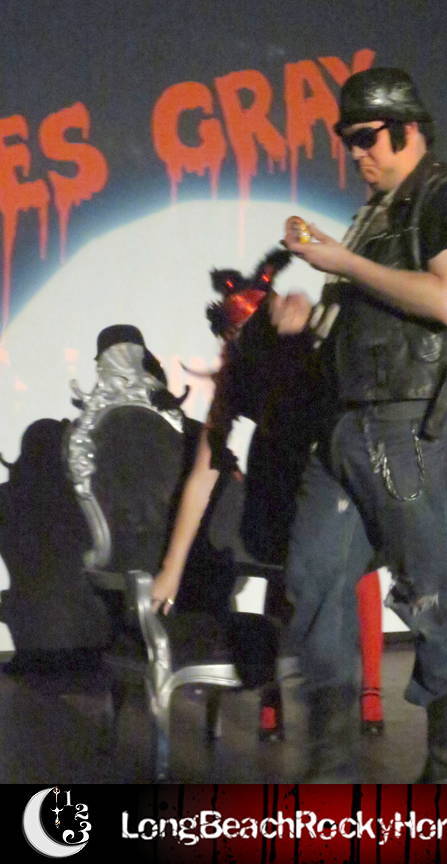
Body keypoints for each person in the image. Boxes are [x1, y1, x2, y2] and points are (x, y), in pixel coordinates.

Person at [271, 67, 447, 782]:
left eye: (366, 137)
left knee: (433, 589)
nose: (356, 152)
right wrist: (310, 322)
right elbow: (368, 314)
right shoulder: (374, 213)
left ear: (408, 128)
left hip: (411, 425)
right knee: (313, 579)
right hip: (347, 426)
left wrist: (341, 261)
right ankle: (331, 766)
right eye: (348, 139)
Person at [151, 249, 386, 738]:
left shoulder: (315, 351)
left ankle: (369, 693)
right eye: (238, 334)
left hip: (330, 470)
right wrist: (171, 569)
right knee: (285, 574)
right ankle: (274, 697)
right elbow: (203, 475)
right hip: (278, 482)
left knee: (356, 564)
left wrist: (315, 315)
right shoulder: (239, 378)